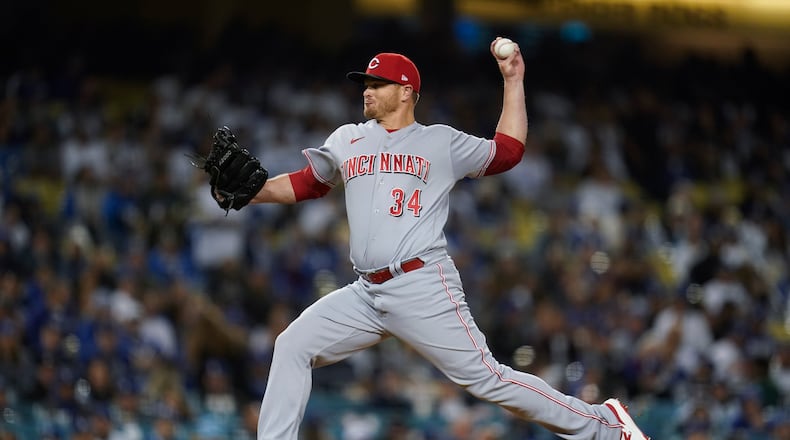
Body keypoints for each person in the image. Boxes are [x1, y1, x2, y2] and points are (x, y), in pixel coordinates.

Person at [241, 38, 649, 439]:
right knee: (292, 344)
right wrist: (251, 192)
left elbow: (507, 151)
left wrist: (513, 79)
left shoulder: (439, 141)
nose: (366, 89)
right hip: (365, 292)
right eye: (365, 83)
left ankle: (607, 425)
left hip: (421, 285)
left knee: (489, 379)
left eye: (376, 83)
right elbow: (309, 183)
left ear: (406, 92)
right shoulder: (348, 138)